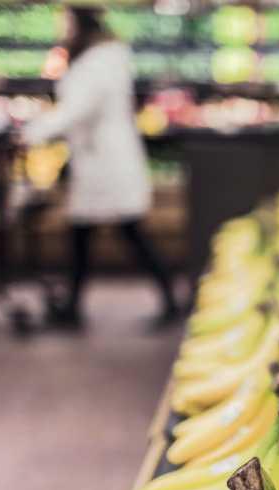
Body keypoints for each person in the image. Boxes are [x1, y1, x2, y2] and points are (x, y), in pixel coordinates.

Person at [20, 7, 180, 330]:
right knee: (85, 234)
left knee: (126, 232)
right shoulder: (103, 58)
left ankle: (168, 300)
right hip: (99, 160)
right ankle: (74, 306)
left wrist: (33, 131)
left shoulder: (98, 63)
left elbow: (77, 110)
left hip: (106, 162)